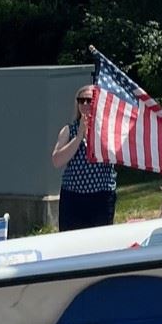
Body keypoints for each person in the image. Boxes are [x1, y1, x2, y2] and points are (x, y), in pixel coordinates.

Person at [52, 87, 119, 231]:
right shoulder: (68, 130)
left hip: (101, 195)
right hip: (73, 196)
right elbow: (57, 160)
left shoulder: (108, 130)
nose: (85, 104)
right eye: (81, 101)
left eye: (90, 100)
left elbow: (116, 154)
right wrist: (79, 136)